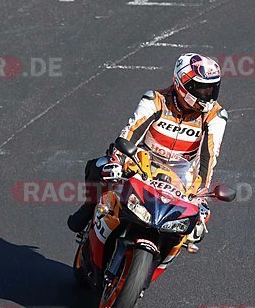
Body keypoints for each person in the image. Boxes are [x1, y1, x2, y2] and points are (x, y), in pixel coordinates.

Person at [67, 53, 228, 246]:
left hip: (181, 172)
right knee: (99, 167)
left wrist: (201, 194)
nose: (207, 94)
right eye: (202, 89)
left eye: (212, 88)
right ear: (182, 84)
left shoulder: (215, 116)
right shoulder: (155, 100)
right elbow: (131, 132)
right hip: (143, 159)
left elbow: (209, 157)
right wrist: (117, 160)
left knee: (196, 225)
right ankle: (89, 206)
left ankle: (167, 247)